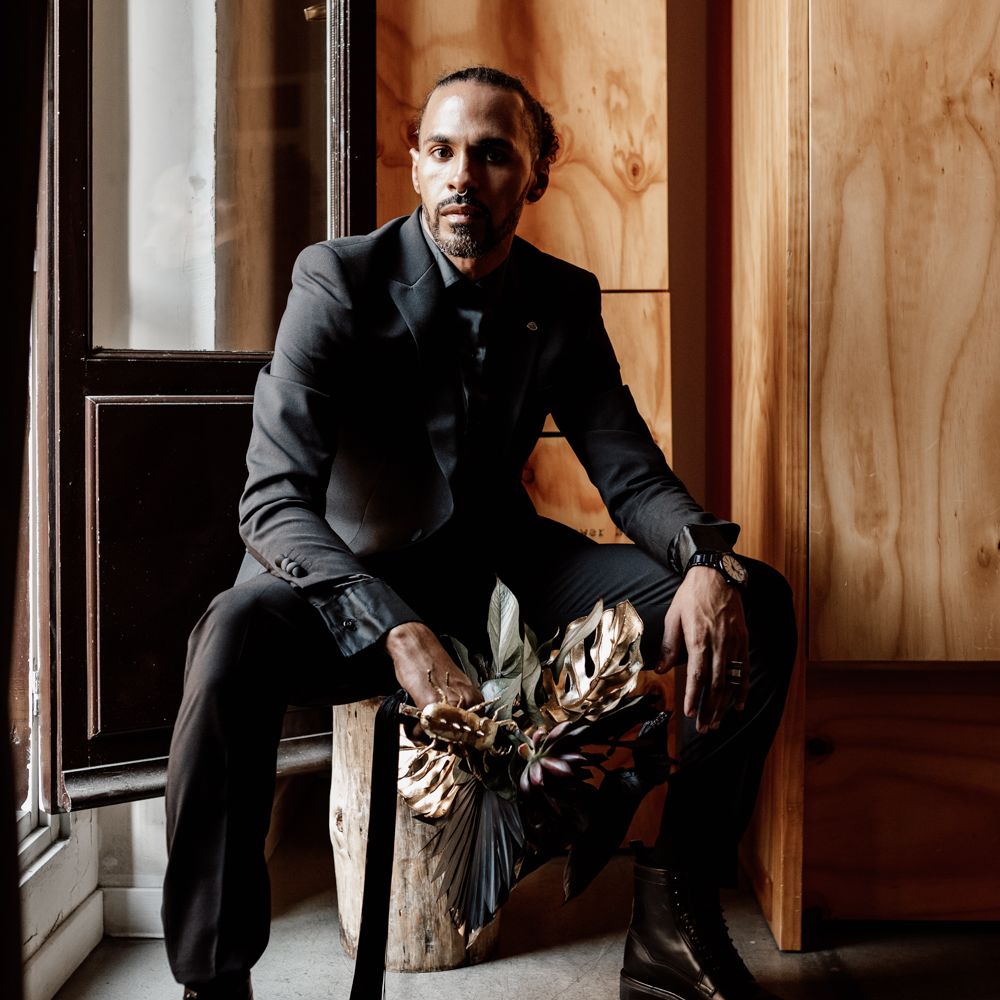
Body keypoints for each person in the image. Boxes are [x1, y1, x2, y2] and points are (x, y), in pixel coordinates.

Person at [162, 65, 796, 1000]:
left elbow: (628, 472)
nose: (464, 174)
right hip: (349, 586)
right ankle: (213, 980)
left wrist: (706, 559)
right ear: (416, 167)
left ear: (533, 177)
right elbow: (272, 502)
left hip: (505, 578)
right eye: (443, 151)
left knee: (760, 600)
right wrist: (392, 627)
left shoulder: (563, 298)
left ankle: (674, 919)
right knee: (228, 636)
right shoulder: (335, 280)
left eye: (493, 154)